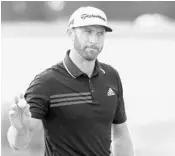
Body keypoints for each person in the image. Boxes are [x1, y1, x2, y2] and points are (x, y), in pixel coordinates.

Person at [7, 6, 135, 156]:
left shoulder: (111, 76)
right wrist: (19, 130)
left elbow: (121, 134)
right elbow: (18, 144)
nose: (94, 40)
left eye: (100, 34)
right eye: (87, 32)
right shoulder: (46, 82)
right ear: (70, 33)